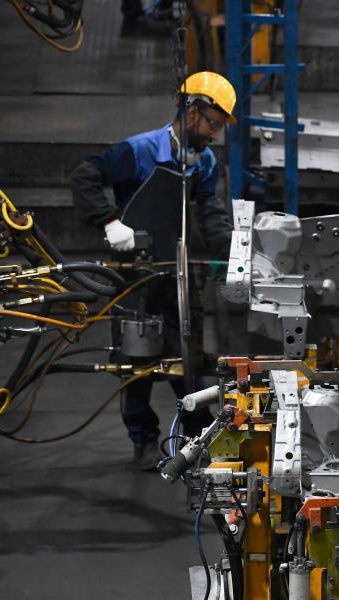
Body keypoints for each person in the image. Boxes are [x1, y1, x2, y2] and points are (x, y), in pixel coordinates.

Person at [70, 71, 236, 469]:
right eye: (212, 124)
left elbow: (211, 217)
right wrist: (110, 221)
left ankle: (198, 436)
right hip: (137, 276)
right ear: (191, 111)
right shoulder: (140, 151)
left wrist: (236, 255)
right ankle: (143, 439)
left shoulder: (205, 162)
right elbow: (85, 176)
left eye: (219, 127)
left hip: (179, 273)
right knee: (138, 362)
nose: (214, 135)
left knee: (189, 357)